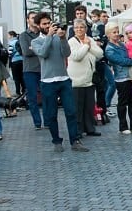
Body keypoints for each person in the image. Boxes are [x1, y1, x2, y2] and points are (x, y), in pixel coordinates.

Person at [31, 13, 89, 151]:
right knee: (51, 114)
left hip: (64, 79)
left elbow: (67, 53)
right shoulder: (35, 42)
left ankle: (75, 140)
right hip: (47, 81)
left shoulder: (58, 38)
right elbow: (43, 53)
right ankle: (56, 141)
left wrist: (62, 38)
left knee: (71, 111)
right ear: (39, 26)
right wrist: (50, 36)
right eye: (44, 24)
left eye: (48, 23)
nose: (47, 26)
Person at [104, 24, 132, 134]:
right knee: (123, 102)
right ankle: (123, 126)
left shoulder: (123, 45)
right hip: (122, 78)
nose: (117, 34)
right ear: (108, 34)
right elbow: (121, 61)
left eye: (117, 32)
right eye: (114, 32)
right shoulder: (109, 49)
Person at [68, 19, 104, 137]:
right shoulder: (71, 42)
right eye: (77, 27)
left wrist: (89, 46)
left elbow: (99, 54)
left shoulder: (90, 40)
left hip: (89, 79)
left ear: (86, 29)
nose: (79, 29)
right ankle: (78, 130)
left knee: (89, 106)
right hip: (76, 80)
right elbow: (76, 56)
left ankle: (89, 128)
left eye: (81, 27)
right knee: (78, 107)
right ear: (74, 30)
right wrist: (85, 46)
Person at [17, 12, 43, 130]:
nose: (34, 20)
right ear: (28, 20)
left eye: (36, 18)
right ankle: (37, 122)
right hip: (30, 69)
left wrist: (35, 48)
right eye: (32, 18)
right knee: (32, 97)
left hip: (43, 68)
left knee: (46, 96)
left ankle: (47, 121)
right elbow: (26, 52)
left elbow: (48, 48)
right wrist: (40, 49)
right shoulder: (23, 35)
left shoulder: (43, 34)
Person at [7, 30, 25, 96]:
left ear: (11, 35)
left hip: (15, 62)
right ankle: (24, 90)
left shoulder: (11, 43)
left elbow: (10, 53)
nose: (8, 37)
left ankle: (17, 92)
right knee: (22, 76)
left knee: (16, 77)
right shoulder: (19, 41)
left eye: (8, 35)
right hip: (22, 61)